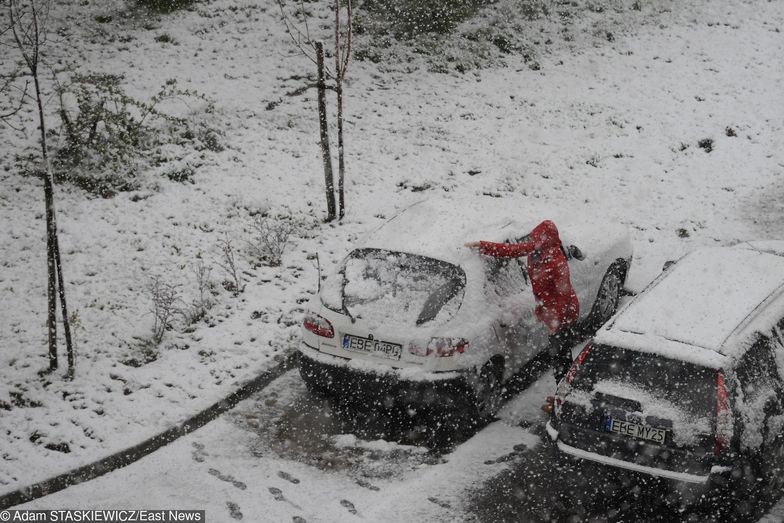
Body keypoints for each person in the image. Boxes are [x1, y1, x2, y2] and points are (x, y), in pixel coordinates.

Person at [465, 220, 579, 383]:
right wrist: (483, 246)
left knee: (560, 354)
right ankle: (564, 384)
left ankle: (564, 388)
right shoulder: (537, 249)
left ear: (546, 240)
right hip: (552, 310)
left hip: (564, 314)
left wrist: (556, 323)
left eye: (538, 238)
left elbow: (564, 296)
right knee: (559, 352)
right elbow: (511, 250)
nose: (534, 241)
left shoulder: (557, 262)